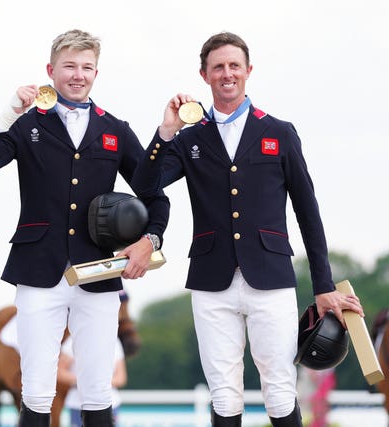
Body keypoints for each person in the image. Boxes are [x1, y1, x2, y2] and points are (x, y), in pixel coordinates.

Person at [131, 31, 364, 426]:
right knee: (223, 392)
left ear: (248, 71)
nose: (227, 73)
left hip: (270, 278)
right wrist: (166, 132)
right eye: (218, 67)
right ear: (204, 75)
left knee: (279, 387)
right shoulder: (189, 140)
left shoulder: (280, 132)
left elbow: (309, 213)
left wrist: (323, 285)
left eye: (234, 65)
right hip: (210, 280)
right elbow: (145, 185)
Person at [0, 29, 169, 426]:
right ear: (50, 70)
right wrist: (8, 113)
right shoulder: (25, 125)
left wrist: (150, 240)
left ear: (96, 72)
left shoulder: (115, 129)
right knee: (37, 390)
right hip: (39, 270)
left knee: (97, 390)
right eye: (69, 66)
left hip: (99, 272)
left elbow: (155, 194)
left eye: (86, 67)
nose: (78, 75)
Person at [57, 334, 127, 426]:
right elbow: (59, 372)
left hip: (109, 402)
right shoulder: (74, 340)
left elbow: (121, 378)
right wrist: (84, 380)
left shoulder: (114, 340)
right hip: (79, 403)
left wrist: (99, 382)